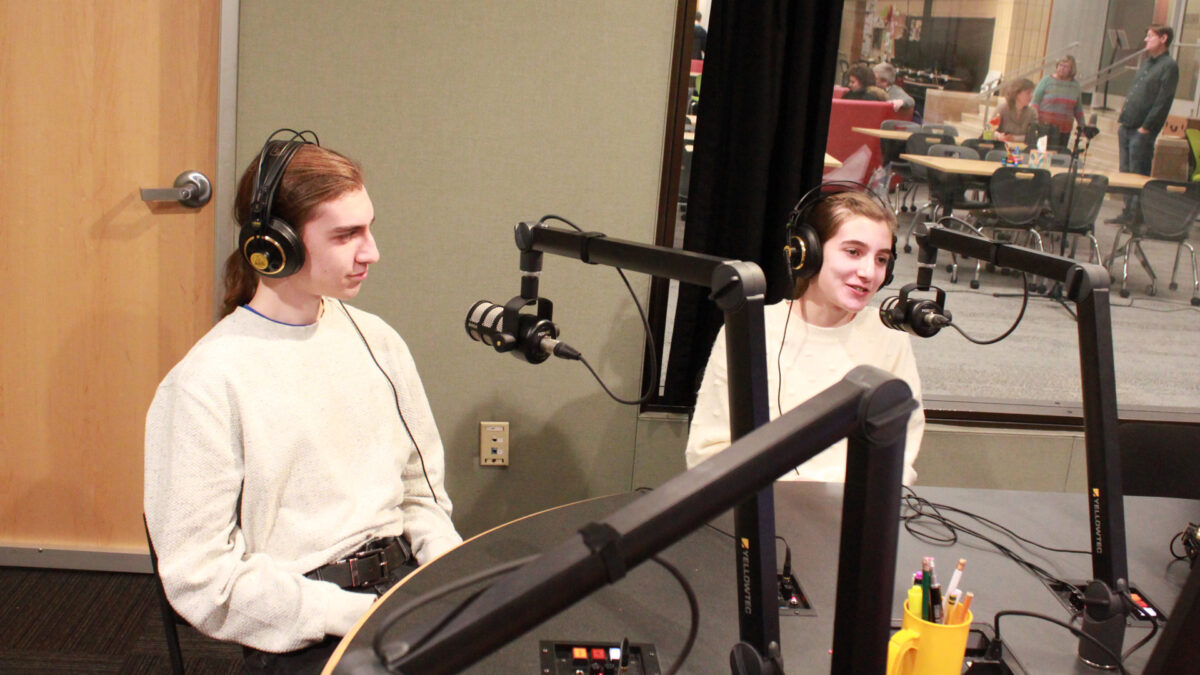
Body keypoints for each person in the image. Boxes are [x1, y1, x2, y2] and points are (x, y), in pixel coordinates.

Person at [144, 131, 462, 673]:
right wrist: (351, 613)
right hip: (303, 621)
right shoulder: (206, 382)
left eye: (370, 228)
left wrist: (452, 578)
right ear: (275, 245)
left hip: (403, 590)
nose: (372, 253)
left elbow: (420, 490)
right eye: (346, 235)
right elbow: (200, 575)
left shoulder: (377, 339)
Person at [685, 187, 924, 484]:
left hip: (860, 511)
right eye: (853, 252)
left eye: (881, 259)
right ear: (807, 253)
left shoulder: (889, 333)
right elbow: (707, 452)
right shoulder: (752, 329)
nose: (868, 272)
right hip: (767, 512)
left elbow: (901, 447)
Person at [1108, 24, 1180, 226]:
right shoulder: (1147, 63)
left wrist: (1146, 127)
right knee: (1125, 171)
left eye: (1150, 36)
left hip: (1143, 128)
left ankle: (1136, 215)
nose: (1146, 40)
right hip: (1127, 124)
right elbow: (1135, 92)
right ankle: (1126, 211)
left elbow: (1163, 101)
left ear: (1163, 38)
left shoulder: (1169, 66)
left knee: (1138, 172)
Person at [1032, 55, 1085, 139]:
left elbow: (1078, 109)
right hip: (1044, 128)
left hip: (1064, 130)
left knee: (1061, 152)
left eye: (1066, 66)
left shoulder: (1075, 86)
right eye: (1060, 65)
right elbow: (1034, 102)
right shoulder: (1046, 80)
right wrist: (1033, 121)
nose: (1062, 68)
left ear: (1072, 69)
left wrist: (1082, 125)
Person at [989, 78, 1038, 142]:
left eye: (1032, 93)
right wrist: (998, 136)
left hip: (1022, 150)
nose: (1032, 96)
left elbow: (1034, 136)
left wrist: (1014, 138)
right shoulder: (1002, 109)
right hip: (1001, 149)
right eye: (1028, 93)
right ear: (1016, 93)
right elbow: (987, 133)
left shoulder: (1032, 112)